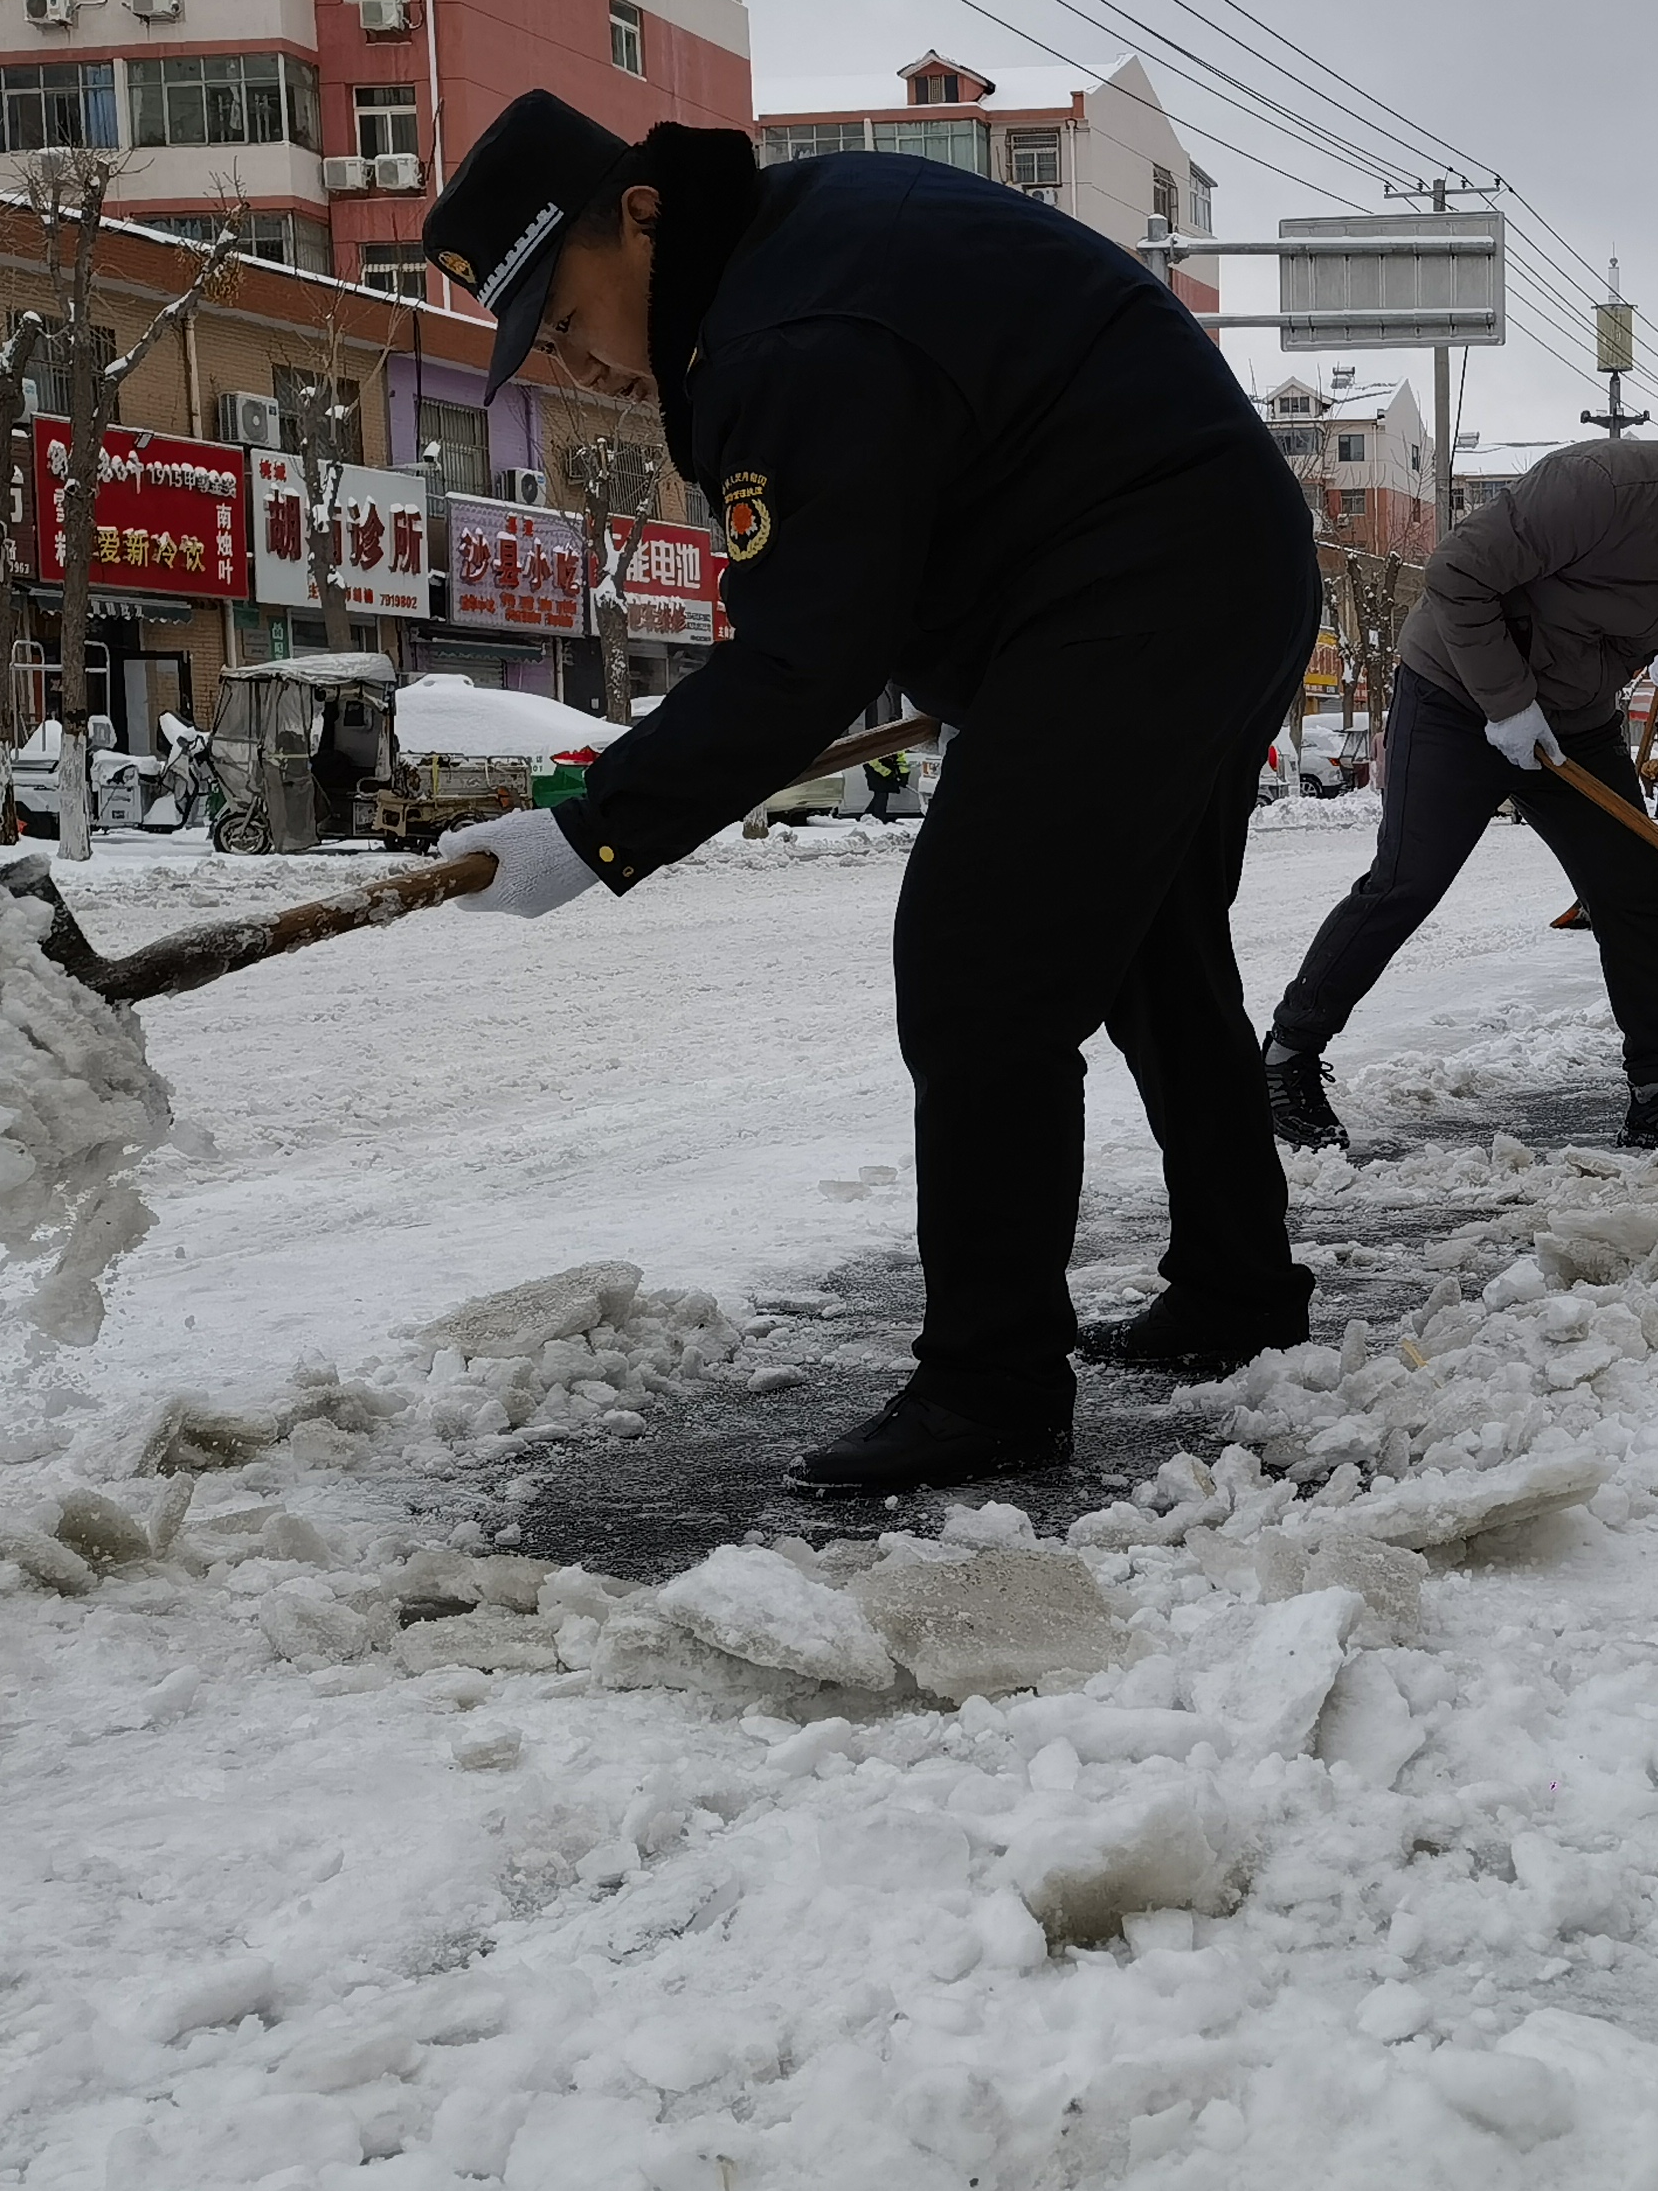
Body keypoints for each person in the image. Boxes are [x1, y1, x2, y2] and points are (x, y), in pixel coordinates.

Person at [418, 90, 1322, 1504]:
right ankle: (1236, 1285)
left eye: (572, 314)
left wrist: (591, 828)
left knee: (977, 968)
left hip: (1141, 586)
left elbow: (803, 657)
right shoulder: (797, 248)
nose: (583, 361)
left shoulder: (788, 332)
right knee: (1152, 950)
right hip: (1212, 567)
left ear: (641, 217)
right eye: (548, 340)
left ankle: (992, 1383)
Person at [1260, 424, 1658, 1151]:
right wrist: (1507, 701)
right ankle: (1286, 1057)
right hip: (1456, 694)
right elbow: (1457, 574)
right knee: (1408, 879)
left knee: (1634, 892)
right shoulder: (1604, 486)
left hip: (1576, 721)